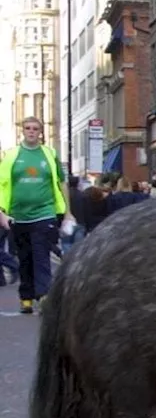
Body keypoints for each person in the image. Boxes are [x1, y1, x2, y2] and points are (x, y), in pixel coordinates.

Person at [0, 117, 68, 314]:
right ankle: (26, 297)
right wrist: (2, 213)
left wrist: (68, 211)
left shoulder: (49, 154)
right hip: (17, 217)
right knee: (25, 258)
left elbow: (61, 182)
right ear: (22, 131)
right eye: (28, 128)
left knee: (42, 256)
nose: (31, 131)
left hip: (44, 213)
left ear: (41, 132)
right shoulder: (11, 155)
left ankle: (44, 295)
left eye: (35, 129)